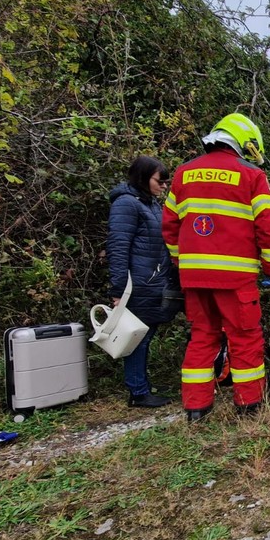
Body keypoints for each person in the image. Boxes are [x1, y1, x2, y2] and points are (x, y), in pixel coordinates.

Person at [162, 113, 270, 421]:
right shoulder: (251, 175)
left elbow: (170, 226)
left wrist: (182, 263)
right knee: (245, 337)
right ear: (244, 142)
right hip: (236, 278)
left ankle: (196, 408)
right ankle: (249, 405)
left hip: (194, 278)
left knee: (202, 336)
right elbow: (268, 227)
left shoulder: (184, 173)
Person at [106, 156, 174, 408]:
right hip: (136, 286)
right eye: (160, 181)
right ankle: (138, 392)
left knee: (145, 335)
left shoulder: (150, 204)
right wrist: (118, 289)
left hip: (152, 282)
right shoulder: (126, 204)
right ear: (143, 177)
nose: (164, 186)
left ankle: (141, 384)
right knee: (137, 338)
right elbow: (118, 247)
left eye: (166, 181)